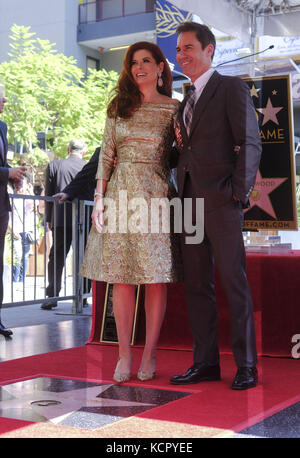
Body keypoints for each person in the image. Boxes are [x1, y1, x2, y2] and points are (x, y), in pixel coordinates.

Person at [80, 42, 182, 383]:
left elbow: (182, 155)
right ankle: (124, 354)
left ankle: (149, 352)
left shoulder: (174, 109)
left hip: (155, 195)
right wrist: (99, 196)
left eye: (146, 61)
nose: (139, 67)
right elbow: (106, 155)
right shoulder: (117, 107)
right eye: (133, 62)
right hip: (119, 196)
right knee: (120, 276)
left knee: (154, 278)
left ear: (160, 67)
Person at [170, 22, 262, 390]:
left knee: (232, 281)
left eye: (188, 48)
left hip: (223, 202)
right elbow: (184, 152)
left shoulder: (231, 88)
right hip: (187, 202)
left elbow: (250, 143)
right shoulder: (183, 100)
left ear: (210, 50)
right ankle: (205, 362)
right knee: (196, 284)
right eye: (178, 50)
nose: (181, 55)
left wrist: (238, 194)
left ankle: (247, 365)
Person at [53, 147, 101, 306]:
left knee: (75, 255)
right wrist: (67, 192)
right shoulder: (105, 147)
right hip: (103, 214)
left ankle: (79, 295)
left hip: (64, 216)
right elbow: (87, 173)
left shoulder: (56, 165)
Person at [43, 139, 87, 310]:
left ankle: (52, 296)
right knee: (82, 258)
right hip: (83, 218)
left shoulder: (55, 165)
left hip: (60, 218)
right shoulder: (87, 167)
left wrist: (49, 217)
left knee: (57, 257)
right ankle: (82, 295)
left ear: (68, 149)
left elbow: (48, 194)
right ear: (83, 152)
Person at [0, 86, 27, 336]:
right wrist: (7, 173)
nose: (4, 99)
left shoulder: (3, 127)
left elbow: (2, 164)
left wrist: (13, 176)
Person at [11, 173, 36, 286]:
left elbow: (34, 206)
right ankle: (14, 280)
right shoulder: (12, 195)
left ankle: (22, 280)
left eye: (22, 183)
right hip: (15, 229)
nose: (20, 186)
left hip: (27, 230)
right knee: (17, 255)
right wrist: (11, 230)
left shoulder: (28, 198)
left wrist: (30, 191)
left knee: (25, 256)